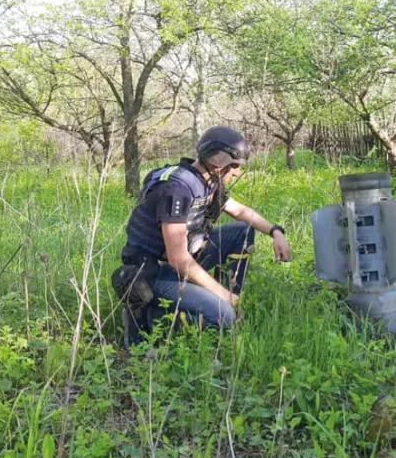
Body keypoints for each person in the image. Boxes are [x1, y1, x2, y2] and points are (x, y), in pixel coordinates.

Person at [112, 126, 291, 343]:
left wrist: (276, 232)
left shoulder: (207, 182)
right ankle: (154, 317)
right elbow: (178, 259)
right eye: (234, 166)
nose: (237, 173)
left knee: (242, 232)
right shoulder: (175, 189)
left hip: (188, 257)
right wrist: (223, 296)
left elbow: (240, 211)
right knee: (225, 317)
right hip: (157, 271)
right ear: (218, 164)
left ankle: (216, 294)